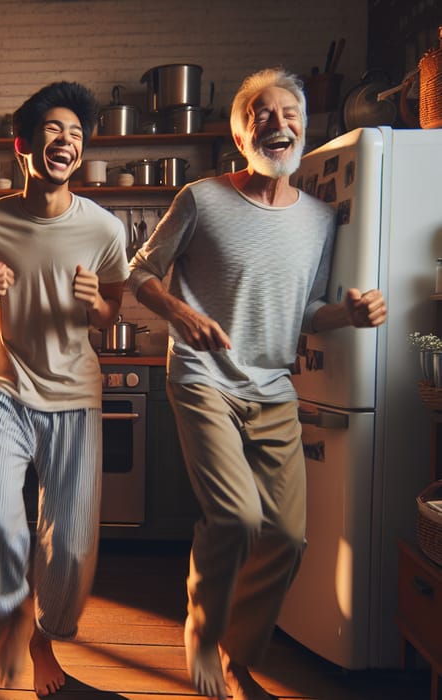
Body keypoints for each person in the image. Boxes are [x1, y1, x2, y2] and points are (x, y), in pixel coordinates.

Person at [127, 68, 387, 700]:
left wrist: (346, 315)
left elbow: (306, 313)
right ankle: (202, 629)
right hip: (202, 378)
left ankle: (240, 657)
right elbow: (140, 274)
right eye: (261, 115)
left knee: (288, 535)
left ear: (304, 126)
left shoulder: (322, 218)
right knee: (238, 518)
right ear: (240, 135)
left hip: (273, 386)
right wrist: (184, 315)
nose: (278, 124)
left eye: (289, 113)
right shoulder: (202, 198)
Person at [0, 81, 128, 696]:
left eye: (77, 134)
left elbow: (112, 315)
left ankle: (44, 637)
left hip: (77, 397)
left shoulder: (105, 229)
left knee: (71, 549)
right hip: (8, 389)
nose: (68, 141)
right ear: (24, 145)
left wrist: (96, 303)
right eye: (55, 130)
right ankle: (13, 614)